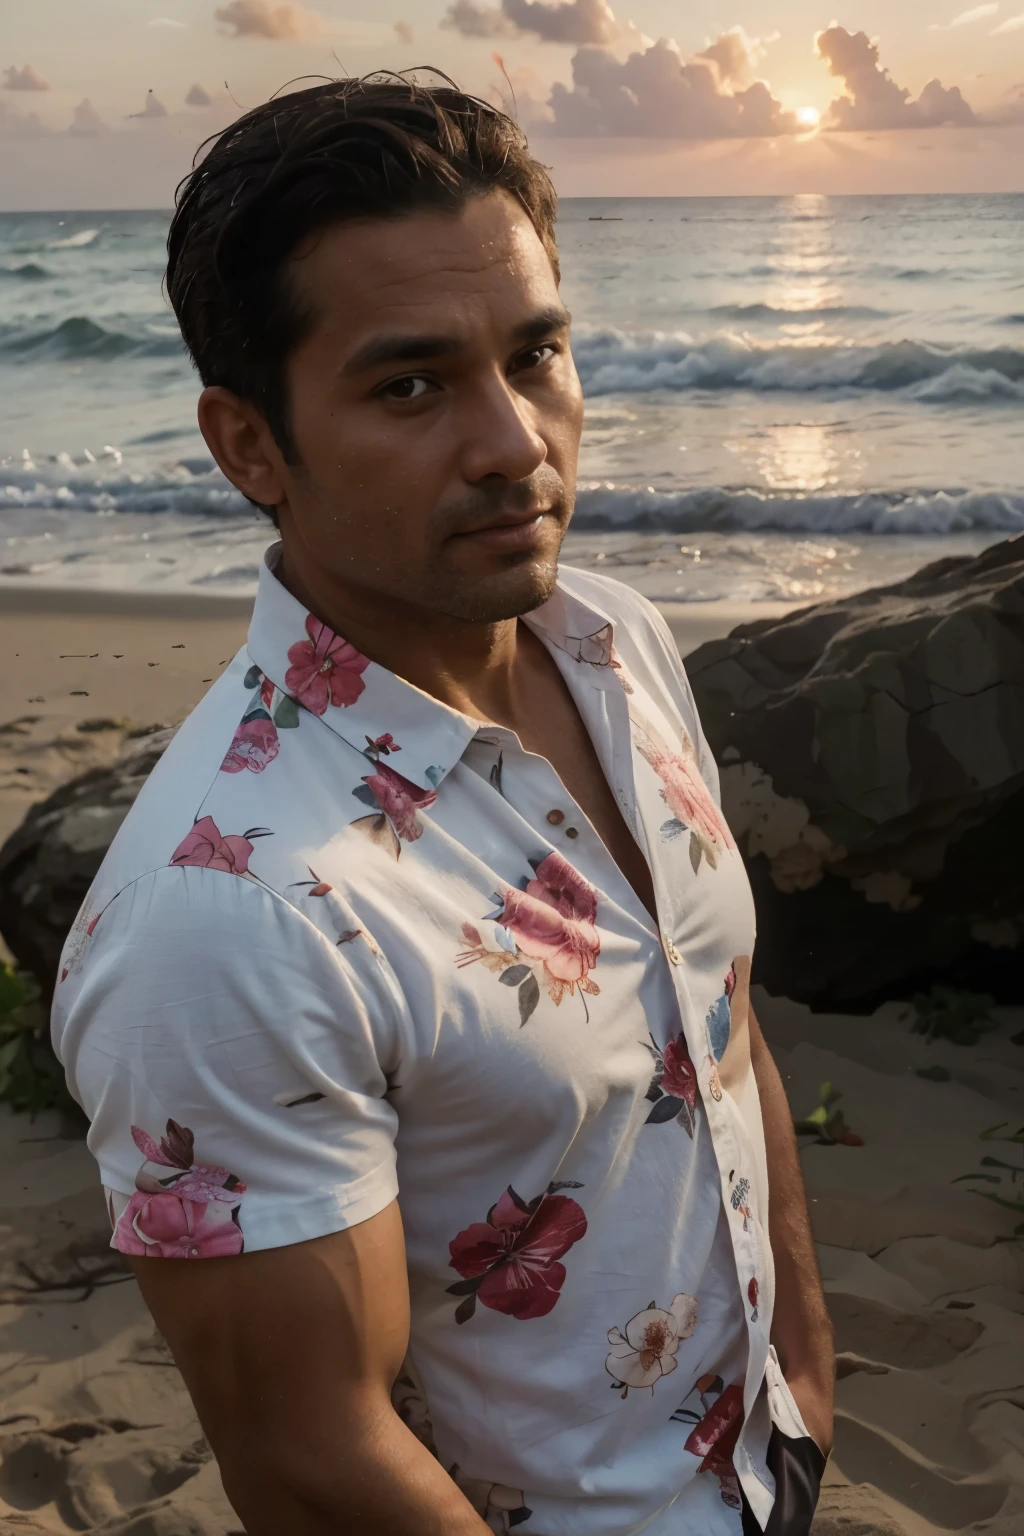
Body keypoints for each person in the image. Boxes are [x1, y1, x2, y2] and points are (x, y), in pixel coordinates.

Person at [52, 74, 834, 1536]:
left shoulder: (613, 643)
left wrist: (803, 1366)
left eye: (536, 354)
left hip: (759, 1465)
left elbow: (719, 1016)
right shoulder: (228, 921)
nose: (514, 444)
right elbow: (310, 1460)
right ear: (249, 448)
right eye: (410, 386)